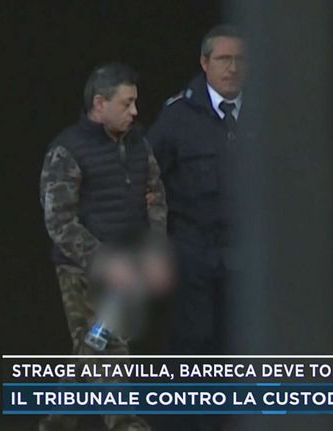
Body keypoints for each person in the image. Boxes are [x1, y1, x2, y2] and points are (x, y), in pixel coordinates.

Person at [38, 63, 166, 431]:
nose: (135, 112)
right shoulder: (68, 151)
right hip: (83, 270)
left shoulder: (139, 145)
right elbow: (59, 222)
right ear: (99, 104)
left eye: (135, 102)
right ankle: (125, 423)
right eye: (126, 103)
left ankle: (57, 422)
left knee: (93, 346)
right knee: (109, 348)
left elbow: (155, 195)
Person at [147, 24, 247, 355]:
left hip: (249, 252)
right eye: (223, 59)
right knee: (195, 342)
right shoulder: (178, 116)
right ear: (205, 63)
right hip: (193, 253)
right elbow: (147, 176)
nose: (232, 68)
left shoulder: (265, 113)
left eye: (239, 59)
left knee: (247, 341)